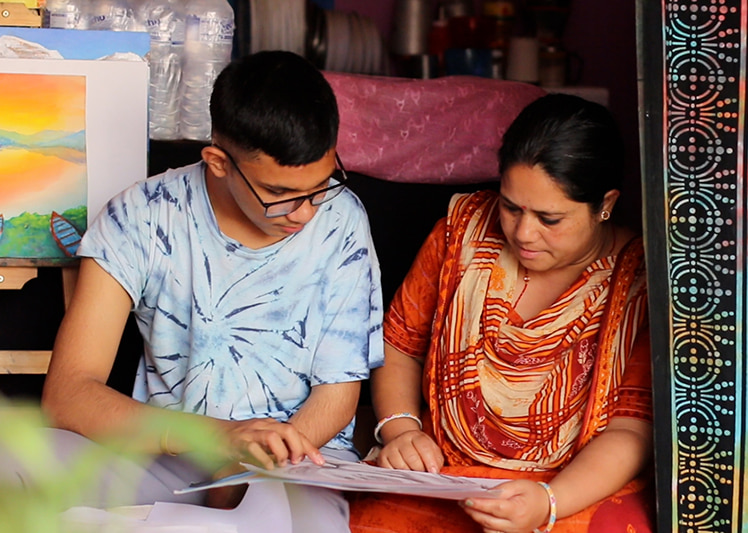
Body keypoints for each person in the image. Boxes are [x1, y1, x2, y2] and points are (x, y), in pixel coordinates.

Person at [18, 50, 382, 532]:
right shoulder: (141, 215)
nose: (305, 213)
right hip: (166, 449)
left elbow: (338, 397)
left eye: (321, 186)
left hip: (290, 465)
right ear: (217, 162)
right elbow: (68, 395)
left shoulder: (344, 222)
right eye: (279, 195)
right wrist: (218, 438)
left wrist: (253, 458)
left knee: (296, 522)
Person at [348, 94, 653, 533]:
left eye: (550, 219)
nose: (523, 233)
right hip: (439, 478)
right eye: (511, 207)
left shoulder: (637, 279)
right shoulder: (463, 231)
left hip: (569, 490)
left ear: (605, 204)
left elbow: (631, 431)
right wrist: (400, 431)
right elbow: (399, 346)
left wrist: (548, 504)